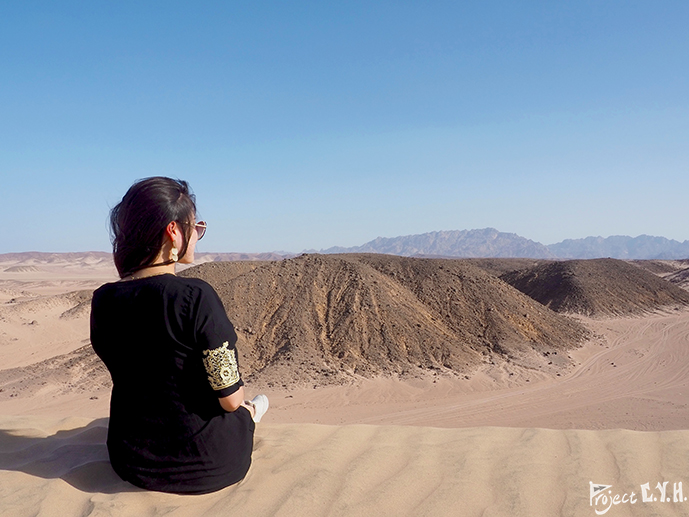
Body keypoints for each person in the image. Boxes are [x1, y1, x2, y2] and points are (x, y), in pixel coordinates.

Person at [90, 177, 268, 494]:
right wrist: (244, 408)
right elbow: (229, 399)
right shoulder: (196, 296)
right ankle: (256, 414)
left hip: (131, 461)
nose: (197, 237)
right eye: (195, 228)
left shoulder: (103, 300)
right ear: (174, 232)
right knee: (244, 410)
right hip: (208, 464)